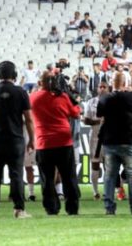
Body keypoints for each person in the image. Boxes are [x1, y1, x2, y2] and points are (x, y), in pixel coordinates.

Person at [0, 60, 34, 219]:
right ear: (15, 75)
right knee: (16, 175)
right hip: (15, 139)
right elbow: (29, 119)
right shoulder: (21, 92)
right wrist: (32, 139)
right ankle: (18, 210)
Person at [29, 70, 82, 216]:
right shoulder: (63, 97)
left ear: (40, 83)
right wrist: (75, 101)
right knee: (68, 177)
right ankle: (72, 208)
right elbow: (76, 113)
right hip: (64, 142)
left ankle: (51, 208)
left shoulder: (33, 98)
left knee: (47, 178)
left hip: (43, 143)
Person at [97, 71, 132, 215]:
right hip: (129, 140)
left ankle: (109, 208)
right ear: (127, 83)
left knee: (110, 176)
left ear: (112, 82)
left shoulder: (106, 97)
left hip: (110, 141)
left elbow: (99, 113)